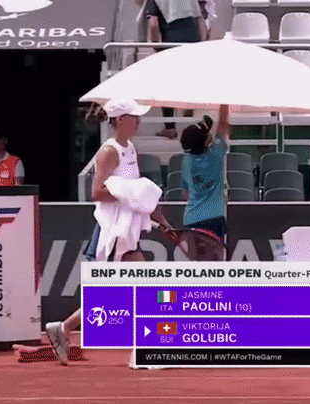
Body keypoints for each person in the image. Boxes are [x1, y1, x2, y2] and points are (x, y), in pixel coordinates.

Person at [45, 99, 172, 366]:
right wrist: (131, 192)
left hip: (126, 233)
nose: (138, 121)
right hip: (111, 233)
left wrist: (160, 219)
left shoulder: (130, 149)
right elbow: (97, 192)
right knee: (119, 294)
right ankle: (141, 350)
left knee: (122, 293)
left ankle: (64, 328)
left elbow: (139, 196)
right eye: (133, 116)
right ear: (120, 120)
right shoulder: (108, 152)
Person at [146, 0, 206, 139]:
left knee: (165, 86)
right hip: (193, 38)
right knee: (189, 79)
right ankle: (190, 114)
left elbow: (153, 24)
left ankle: (170, 128)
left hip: (172, 40)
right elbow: (200, 20)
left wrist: (156, 46)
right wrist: (202, 44)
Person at [180, 105, 230, 241]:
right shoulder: (215, 154)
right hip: (214, 218)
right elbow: (223, 124)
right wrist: (224, 104)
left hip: (191, 218)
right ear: (207, 140)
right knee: (215, 254)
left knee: (195, 255)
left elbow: (185, 194)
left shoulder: (186, 162)